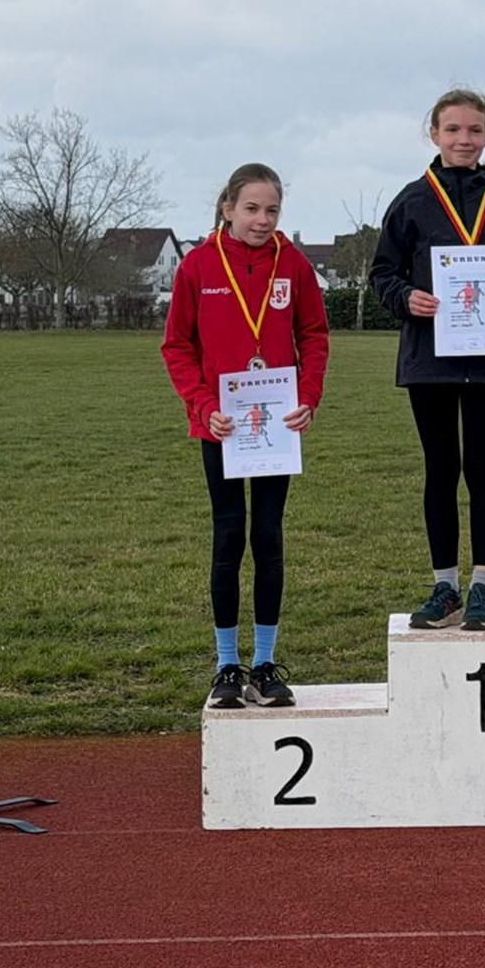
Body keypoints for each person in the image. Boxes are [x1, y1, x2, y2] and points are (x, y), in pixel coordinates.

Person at [162, 162, 330, 710]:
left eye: (272, 210)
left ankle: (264, 664)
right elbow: (177, 346)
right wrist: (203, 405)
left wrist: (308, 397)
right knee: (229, 535)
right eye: (252, 208)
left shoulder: (294, 263)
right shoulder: (198, 265)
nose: (262, 220)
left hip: (276, 425)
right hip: (224, 426)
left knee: (269, 537)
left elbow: (314, 335)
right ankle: (226, 666)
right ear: (227, 207)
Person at [370, 89, 485, 632]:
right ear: (434, 134)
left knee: (483, 466)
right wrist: (406, 298)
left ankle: (484, 587)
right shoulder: (411, 200)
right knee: (440, 469)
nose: (464, 139)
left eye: (475, 130)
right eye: (453, 130)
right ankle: (445, 587)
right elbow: (382, 273)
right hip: (431, 358)